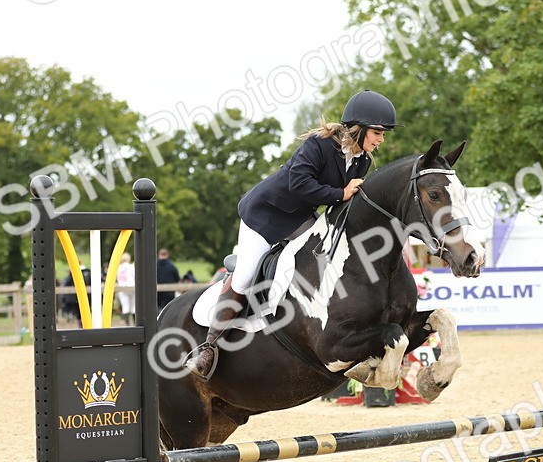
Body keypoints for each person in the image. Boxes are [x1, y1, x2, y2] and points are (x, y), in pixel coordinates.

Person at [185, 89, 400, 379]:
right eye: (377, 132)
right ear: (358, 128)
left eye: (383, 134)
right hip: (266, 215)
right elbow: (299, 183)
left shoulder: (361, 159)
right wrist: (341, 193)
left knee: (322, 259)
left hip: (300, 218)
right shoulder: (319, 145)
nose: (381, 139)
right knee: (246, 274)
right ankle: (209, 346)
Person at [116, 252, 135, 325]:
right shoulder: (131, 266)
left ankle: (127, 325)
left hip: (122, 288)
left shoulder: (118, 268)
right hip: (132, 287)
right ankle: (135, 324)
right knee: (134, 307)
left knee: (125, 307)